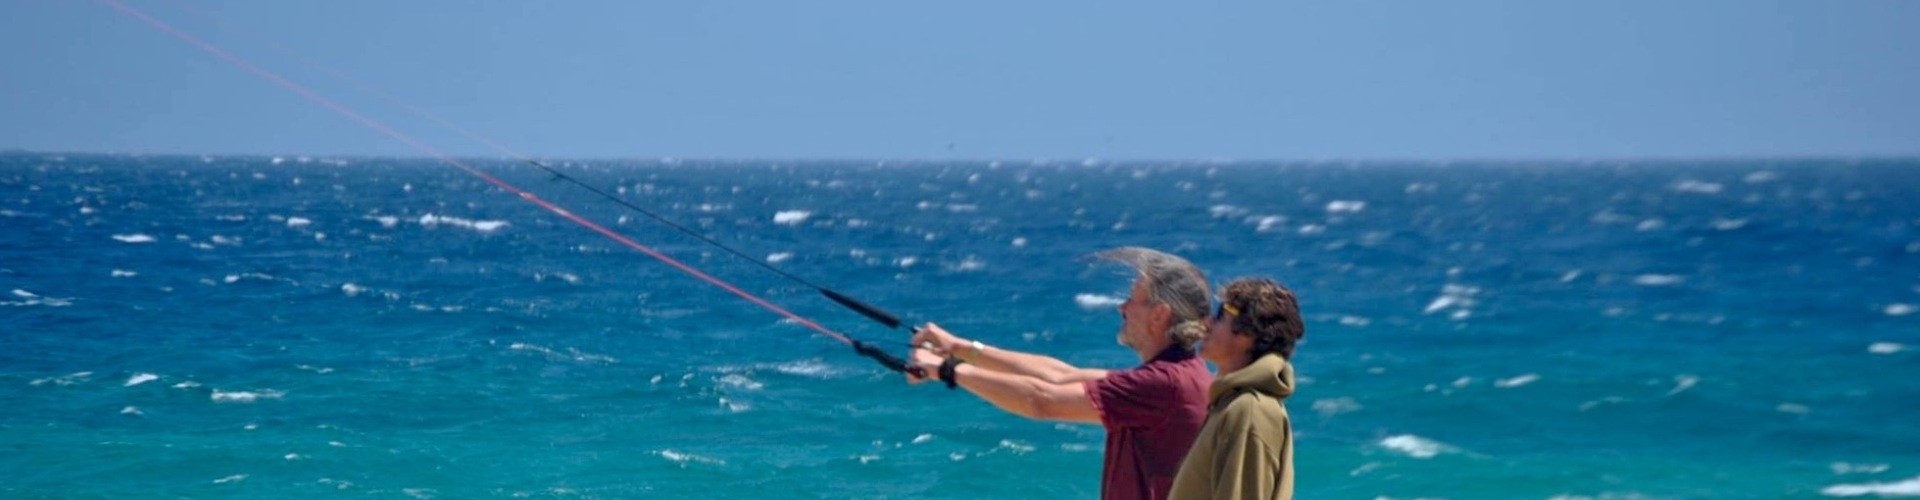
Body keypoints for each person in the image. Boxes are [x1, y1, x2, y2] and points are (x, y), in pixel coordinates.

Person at [908, 247, 1214, 500]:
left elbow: (1041, 401)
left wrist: (946, 370)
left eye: (1132, 298)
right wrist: (960, 348)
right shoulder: (1179, 375)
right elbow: (1060, 375)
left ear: (1159, 314)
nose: (1122, 307)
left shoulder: (1164, 384)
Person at [1168, 278, 1306, 500]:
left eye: (1221, 315)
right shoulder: (1231, 404)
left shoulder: (1248, 410)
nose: (1207, 323)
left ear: (1248, 334)